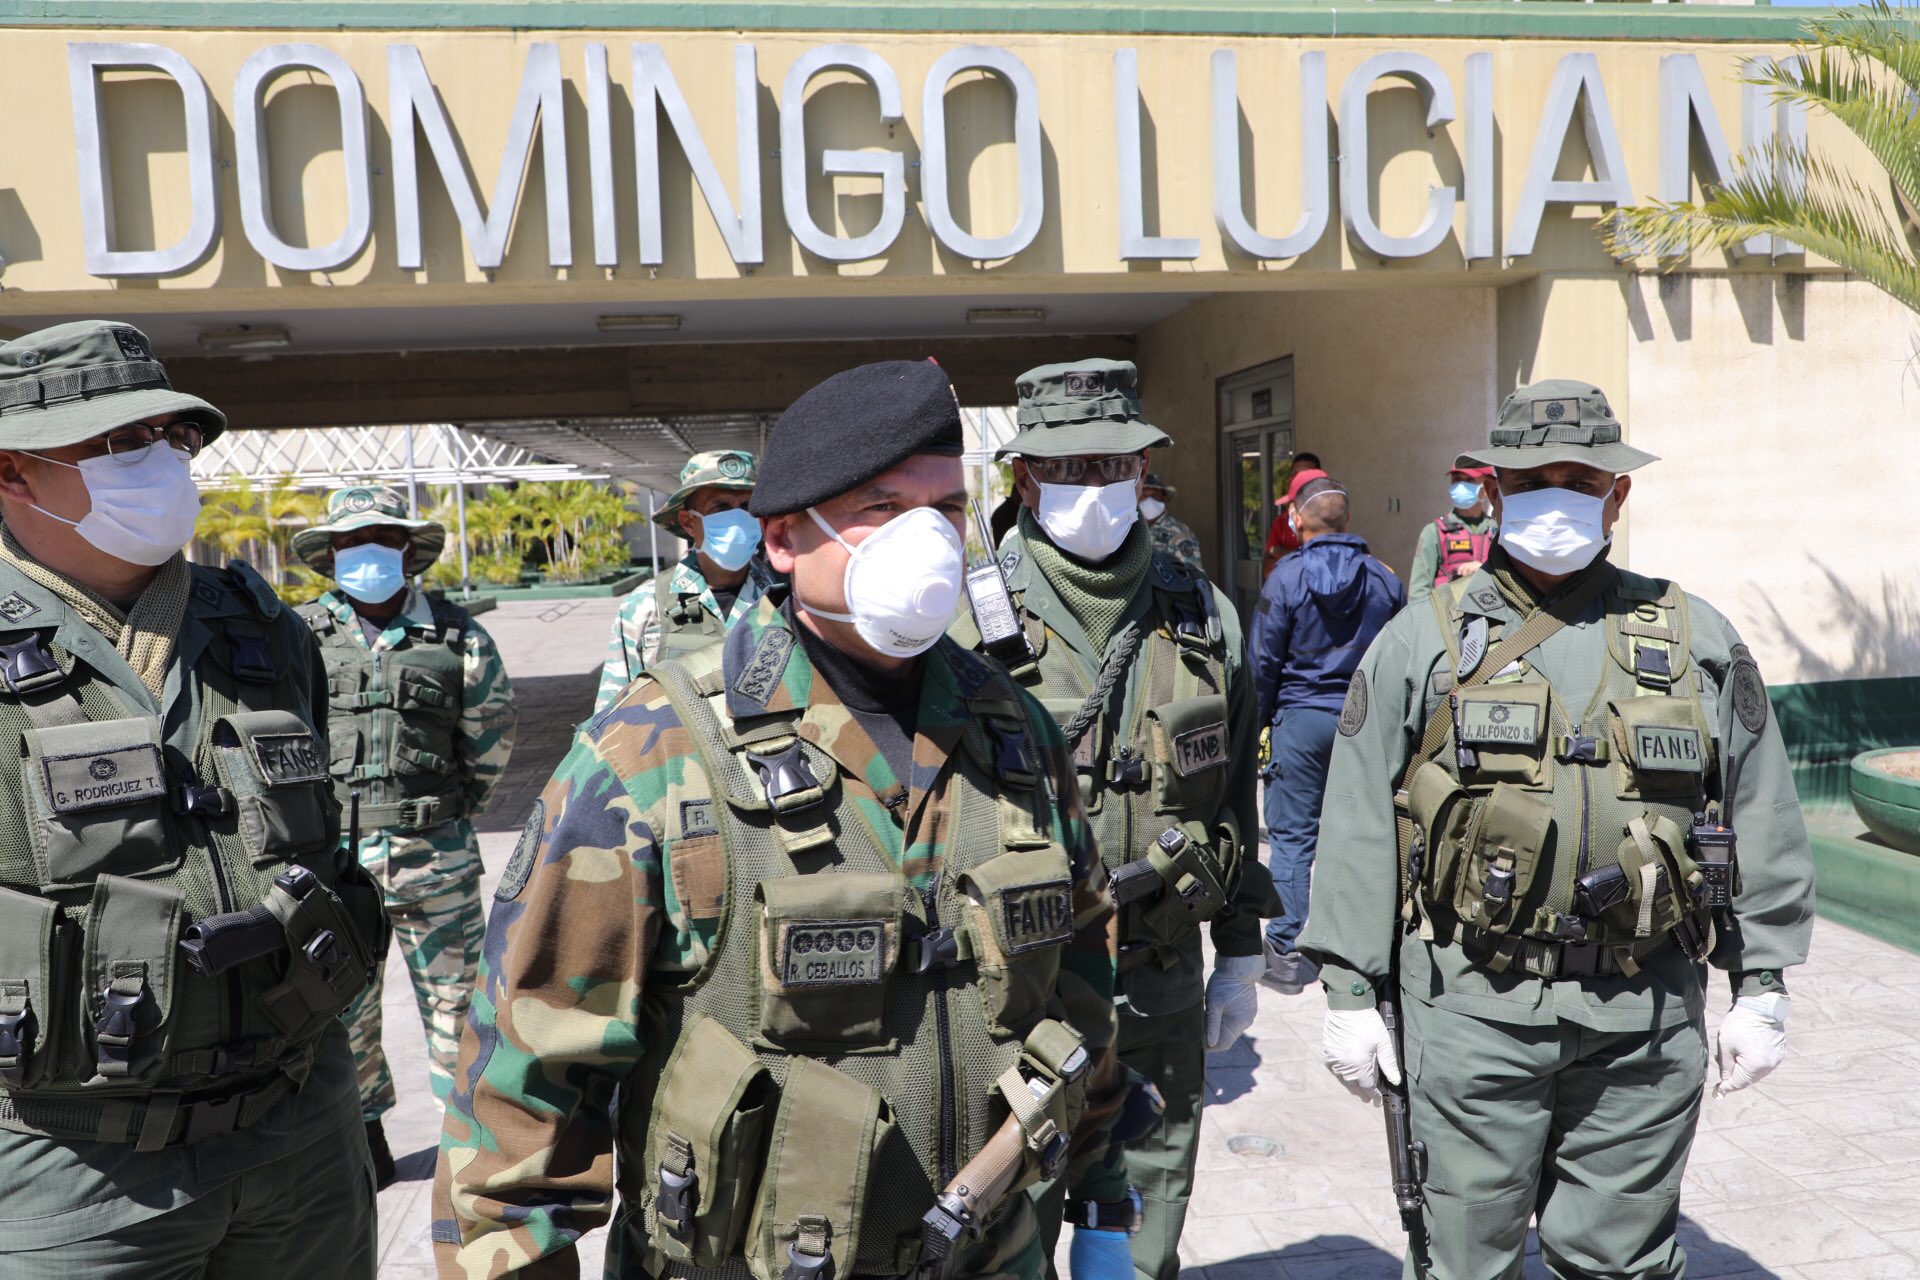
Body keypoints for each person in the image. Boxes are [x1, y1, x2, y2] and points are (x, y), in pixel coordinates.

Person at [436, 359, 1135, 1280]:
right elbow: (521, 1099)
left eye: (946, 509)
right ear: (781, 542)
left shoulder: (1017, 730)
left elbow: (1079, 987)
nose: (927, 538)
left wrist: (1102, 1201)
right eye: (882, 509)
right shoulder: (652, 760)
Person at [1300, 380, 1815, 1280]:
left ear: (1619, 495)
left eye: (1582, 481)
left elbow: (1758, 806)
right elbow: (1355, 819)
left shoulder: (1695, 638)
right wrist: (1349, 990)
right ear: (1495, 492)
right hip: (1471, 1012)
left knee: (1622, 1263)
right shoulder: (1423, 638)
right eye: (1534, 480)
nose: (1558, 500)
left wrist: (1762, 982)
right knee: (1466, 1261)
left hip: (1643, 1018)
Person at [0, 321, 385, 1276]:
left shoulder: (259, 627)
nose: (159, 464)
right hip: (70, 1167)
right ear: (13, 473)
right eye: (117, 443)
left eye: (170, 438)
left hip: (298, 1127)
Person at [955, 359, 1271, 1280]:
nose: (1094, 488)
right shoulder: (968, 622)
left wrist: (1244, 947)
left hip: (1161, 981)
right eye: (1070, 469)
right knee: (1005, 1232)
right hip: (1018, 994)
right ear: (1025, 479)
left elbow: (1236, 799)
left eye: (1113, 466)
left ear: (1143, 473)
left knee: (1144, 1234)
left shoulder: (1202, 614)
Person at [289, 485, 517, 1186]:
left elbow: (493, 739)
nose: (368, 555)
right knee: (342, 1013)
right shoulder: (297, 637)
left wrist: (444, 811)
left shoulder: (458, 638)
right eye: (353, 544)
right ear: (331, 556)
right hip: (334, 871)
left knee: (458, 1010)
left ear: (407, 553)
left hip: (435, 860)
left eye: (382, 541)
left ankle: (466, 1148)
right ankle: (366, 1144)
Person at [1249, 475, 1404, 995]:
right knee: (1362, 840)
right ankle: (1355, 954)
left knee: (1292, 839)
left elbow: (1263, 661)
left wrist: (1260, 722)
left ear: (1297, 521)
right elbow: (1399, 660)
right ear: (1347, 521)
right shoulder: (1383, 579)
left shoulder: (1284, 578)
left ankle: (1288, 957)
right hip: (1362, 724)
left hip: (1299, 720)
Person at [596, 449, 777, 714]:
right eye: (722, 507)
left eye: (748, 506)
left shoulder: (784, 597)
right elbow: (611, 715)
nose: (738, 518)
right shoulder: (646, 607)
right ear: (689, 521)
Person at [1408, 457, 1497, 603]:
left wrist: (1484, 569)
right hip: (1448, 619)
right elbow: (1418, 594)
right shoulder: (1434, 532)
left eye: (1468, 480)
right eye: (1456, 480)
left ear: (1486, 488)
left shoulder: (1498, 530)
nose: (1461, 485)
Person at [1259, 455, 1324, 583]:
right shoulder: (1281, 522)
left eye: (1305, 473)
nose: (1300, 478)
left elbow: (1322, 563)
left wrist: (1282, 552)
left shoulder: (1327, 517)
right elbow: (1267, 569)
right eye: (1295, 474)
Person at [1139, 471, 1202, 574]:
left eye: (1154, 496)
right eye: (1144, 496)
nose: (1148, 501)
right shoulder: (1131, 529)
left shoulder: (1179, 533)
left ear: (1164, 498)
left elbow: (1195, 576)